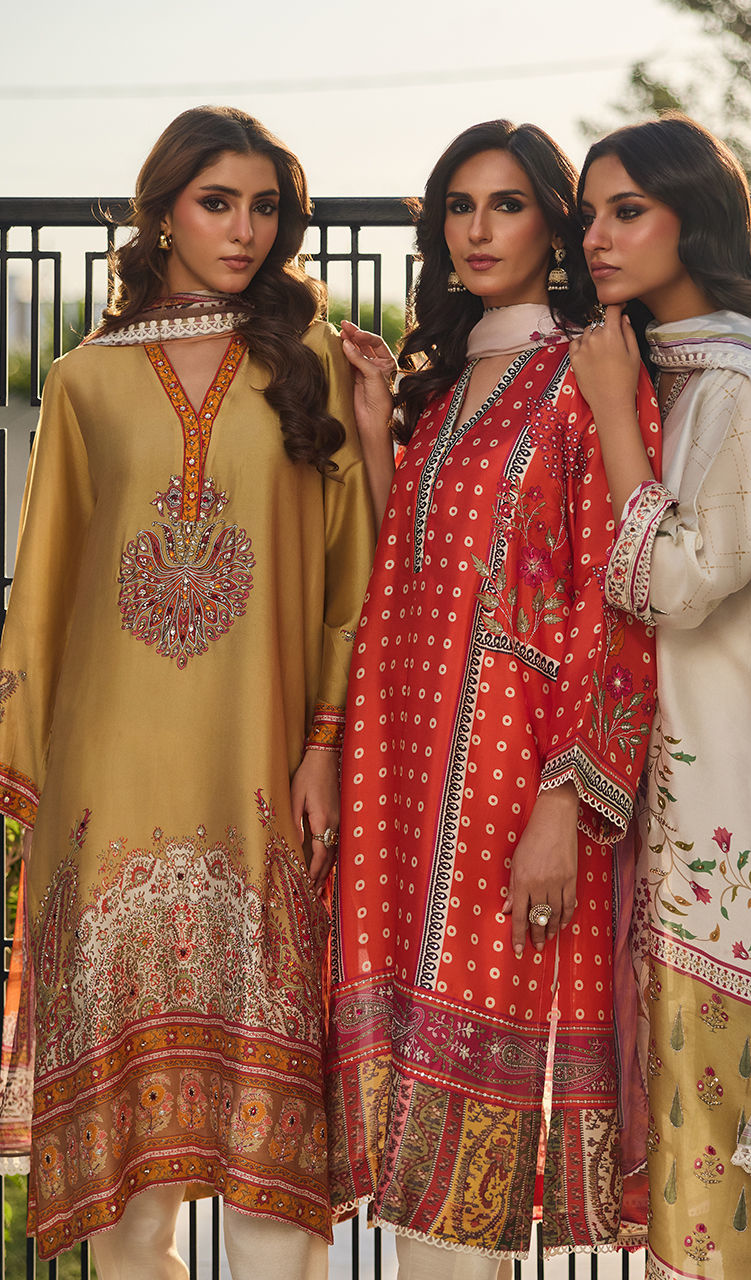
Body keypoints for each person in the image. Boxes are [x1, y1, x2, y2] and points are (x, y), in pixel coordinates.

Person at [0, 105, 374, 1278]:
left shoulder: (311, 367)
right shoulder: (82, 382)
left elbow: (352, 573)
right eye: (219, 203)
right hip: (105, 793)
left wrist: (326, 742)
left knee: (275, 1182)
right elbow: (42, 592)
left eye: (265, 207)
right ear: (163, 211)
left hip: (260, 781)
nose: (245, 230)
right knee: (126, 1213)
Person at [325, 119, 661, 1276]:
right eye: (458, 206)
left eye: (506, 204)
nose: (477, 229)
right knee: (421, 1193)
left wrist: (563, 805)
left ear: (554, 224)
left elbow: (615, 598)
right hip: (407, 784)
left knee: (474, 1188)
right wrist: (377, 425)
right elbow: (407, 572)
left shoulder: (585, 376)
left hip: (516, 789)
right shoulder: (449, 381)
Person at [568, 114, 751, 1280]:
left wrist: (609, 414)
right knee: (695, 1145)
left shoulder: (744, 380)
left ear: (696, 217)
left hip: (746, 830)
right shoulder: (683, 368)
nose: (596, 236)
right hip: (691, 804)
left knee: (732, 1152)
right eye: (589, 213)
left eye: (626, 210)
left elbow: (678, 580)